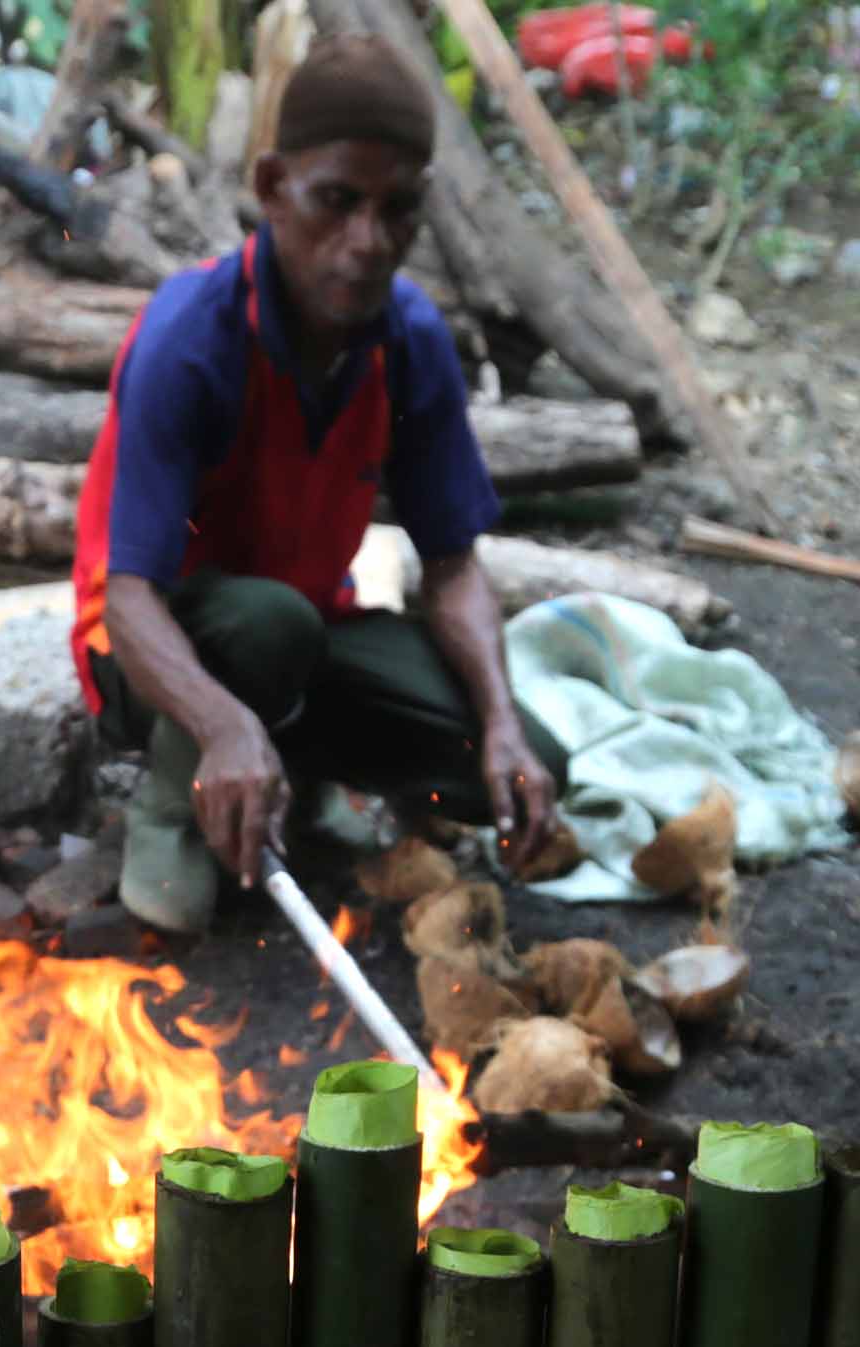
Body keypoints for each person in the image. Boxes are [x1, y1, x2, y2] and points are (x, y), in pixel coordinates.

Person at [71, 35, 570, 935]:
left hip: (307, 637)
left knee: (522, 761)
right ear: (271, 188)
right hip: (161, 656)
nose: (368, 242)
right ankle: (175, 797)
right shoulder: (191, 337)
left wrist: (499, 722)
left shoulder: (410, 342)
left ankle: (289, 762)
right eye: (337, 203)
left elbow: (453, 568)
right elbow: (128, 600)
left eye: (397, 211)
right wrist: (223, 726)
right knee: (269, 625)